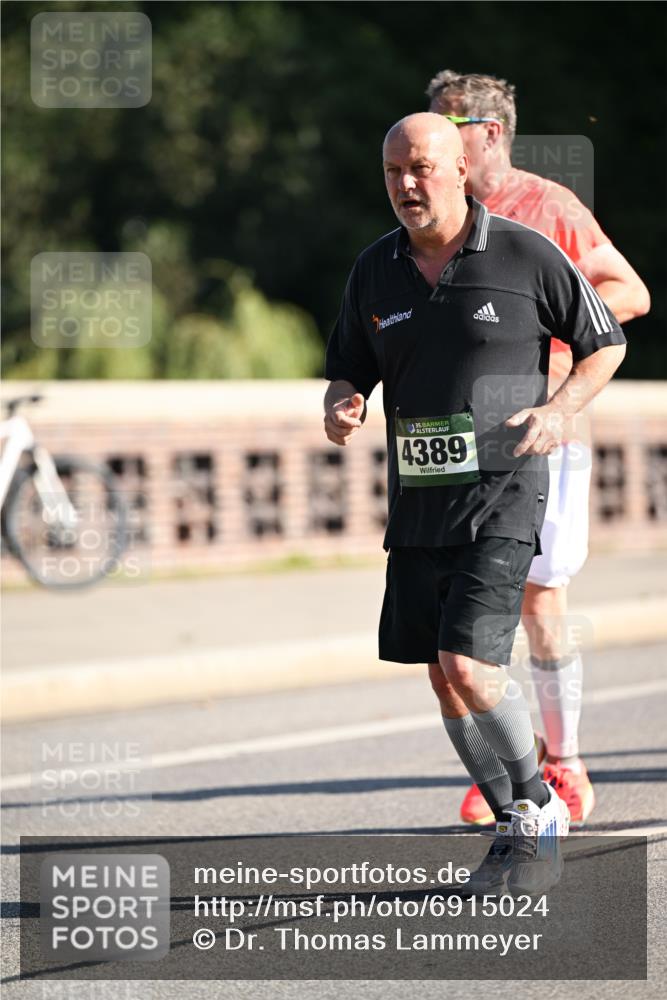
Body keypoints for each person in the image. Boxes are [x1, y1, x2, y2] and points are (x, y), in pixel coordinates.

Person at [324, 113, 626, 888]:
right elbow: (348, 367)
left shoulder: (525, 254)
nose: (405, 185)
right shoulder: (374, 270)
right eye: (393, 171)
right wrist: (344, 401)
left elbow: (606, 342)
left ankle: (534, 810)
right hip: (418, 501)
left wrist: (558, 411)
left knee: (469, 661)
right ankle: (514, 820)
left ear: (461, 169)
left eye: (421, 168)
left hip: (504, 491)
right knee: (440, 673)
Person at [424, 70, 650, 827]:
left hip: (543, 429)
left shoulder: (545, 205)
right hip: (462, 440)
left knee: (540, 602)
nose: (426, 146)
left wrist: (545, 324)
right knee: (464, 610)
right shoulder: (439, 215)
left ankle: (565, 764)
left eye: (441, 127)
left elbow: (628, 291)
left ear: (487, 133)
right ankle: (505, 774)